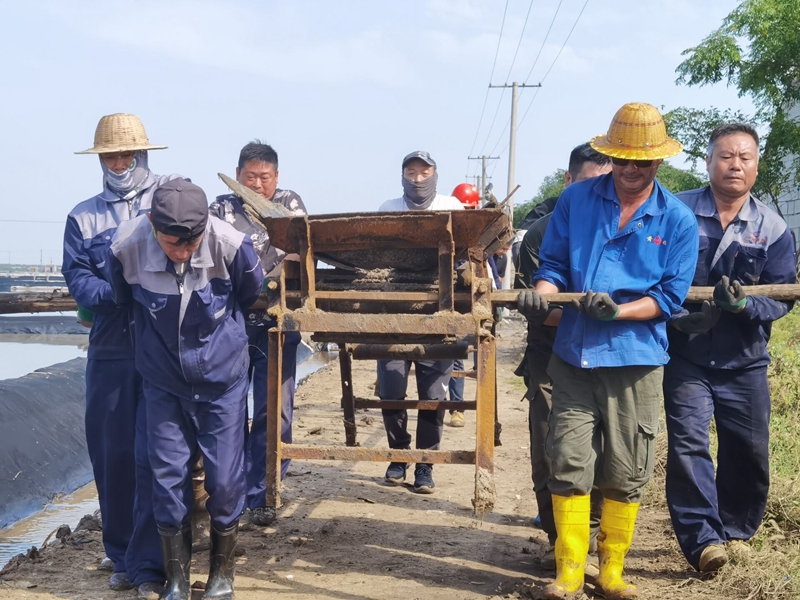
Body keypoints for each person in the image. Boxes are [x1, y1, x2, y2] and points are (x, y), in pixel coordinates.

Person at [518, 103, 699, 600]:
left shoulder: (677, 220)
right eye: (621, 159)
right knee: (567, 459)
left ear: (657, 162)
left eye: (640, 162)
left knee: (626, 468)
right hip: (573, 356)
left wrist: (617, 312)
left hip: (635, 360)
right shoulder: (575, 200)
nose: (629, 169)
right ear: (610, 156)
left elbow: (668, 297)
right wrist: (543, 294)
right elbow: (553, 266)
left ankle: (612, 570)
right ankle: (570, 571)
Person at [106, 179, 262, 600]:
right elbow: (122, 298)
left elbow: (250, 293)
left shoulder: (232, 245)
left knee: (225, 481)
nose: (183, 250)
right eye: (173, 242)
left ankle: (221, 576)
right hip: (164, 383)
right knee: (166, 476)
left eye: (192, 241)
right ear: (152, 224)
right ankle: (176, 579)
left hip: (222, 382)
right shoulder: (126, 248)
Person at [664, 123, 797, 574]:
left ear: (756, 166)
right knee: (689, 443)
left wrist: (744, 306)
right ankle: (703, 542)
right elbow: (652, 274)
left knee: (748, 449)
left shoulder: (773, 228)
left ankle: (735, 531)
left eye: (745, 157)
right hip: (686, 355)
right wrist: (676, 317)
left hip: (745, 360)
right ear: (708, 162)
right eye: (725, 156)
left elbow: (783, 296)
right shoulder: (676, 212)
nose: (735, 165)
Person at [62, 113, 182, 597]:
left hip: (162, 345)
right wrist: (114, 292)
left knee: (158, 454)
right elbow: (77, 276)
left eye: (126, 155)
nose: (118, 164)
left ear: (142, 154)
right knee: (112, 453)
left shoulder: (169, 198)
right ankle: (119, 553)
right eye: (110, 156)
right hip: (110, 347)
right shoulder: (82, 216)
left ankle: (150, 561)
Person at [514, 142, 611, 572]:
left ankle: (593, 537)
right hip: (552, 355)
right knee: (552, 448)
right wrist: (585, 316)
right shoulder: (539, 234)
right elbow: (538, 307)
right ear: (568, 181)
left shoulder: (621, 226)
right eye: (589, 184)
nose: (598, 194)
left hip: (609, 352)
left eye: (606, 184)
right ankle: (561, 542)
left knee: (606, 451)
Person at [209, 140, 306, 527]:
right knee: (230, 411)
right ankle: (229, 494)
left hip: (277, 324)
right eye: (250, 177)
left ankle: (264, 493)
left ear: (276, 177)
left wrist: (271, 280)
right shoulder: (220, 209)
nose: (258, 184)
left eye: (265, 177)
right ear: (237, 176)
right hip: (230, 326)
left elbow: (300, 252)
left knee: (274, 410)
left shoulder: (289, 204)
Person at [378, 151, 463, 493]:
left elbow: (466, 257)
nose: (417, 179)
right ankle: (398, 456)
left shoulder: (451, 207)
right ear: (402, 176)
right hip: (395, 317)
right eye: (411, 173)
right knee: (391, 391)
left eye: (424, 173)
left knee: (433, 395)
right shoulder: (388, 208)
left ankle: (425, 464)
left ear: (435, 175)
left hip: (437, 318)